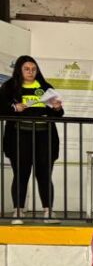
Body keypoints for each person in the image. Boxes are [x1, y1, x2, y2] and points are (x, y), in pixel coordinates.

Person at [1, 55, 64, 224]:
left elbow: (58, 114)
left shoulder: (45, 87)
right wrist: (14, 107)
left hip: (44, 136)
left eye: (33, 69)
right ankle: (18, 212)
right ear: (19, 70)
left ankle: (48, 212)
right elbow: (1, 107)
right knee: (21, 174)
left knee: (44, 174)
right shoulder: (9, 87)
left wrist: (57, 108)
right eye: (27, 69)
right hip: (19, 136)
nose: (30, 72)